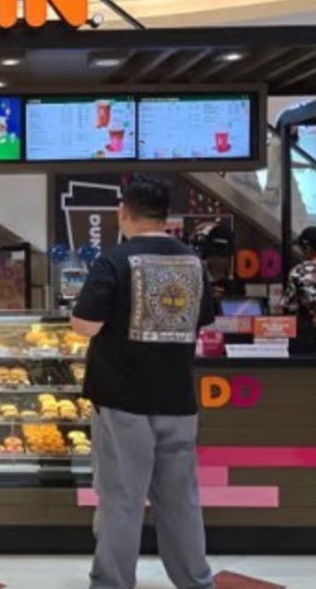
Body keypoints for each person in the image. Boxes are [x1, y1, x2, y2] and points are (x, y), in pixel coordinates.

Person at [70, 177, 216, 589]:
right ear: (166, 215)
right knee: (181, 500)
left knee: (122, 498)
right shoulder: (193, 262)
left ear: (124, 212)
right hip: (177, 398)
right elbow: (205, 319)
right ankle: (196, 581)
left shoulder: (115, 261)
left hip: (123, 398)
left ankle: (112, 583)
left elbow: (84, 324)